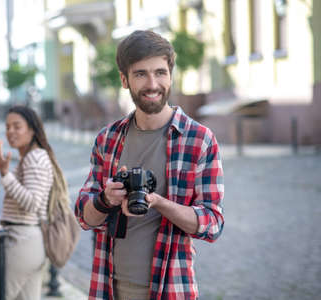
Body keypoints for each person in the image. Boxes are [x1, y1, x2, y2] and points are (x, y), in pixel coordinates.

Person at [75, 30, 225, 300]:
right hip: (108, 288)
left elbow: (212, 223)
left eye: (160, 72)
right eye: (140, 73)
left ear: (170, 76)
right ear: (124, 79)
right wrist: (106, 200)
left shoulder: (199, 140)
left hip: (171, 289)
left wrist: (158, 203)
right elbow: (84, 217)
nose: (152, 83)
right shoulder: (107, 138)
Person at [0, 105, 64, 300]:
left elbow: (33, 203)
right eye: (7, 126)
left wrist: (5, 175)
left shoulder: (34, 158)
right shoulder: (31, 156)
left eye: (17, 126)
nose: (10, 131)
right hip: (29, 242)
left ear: (32, 129)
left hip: (21, 241)